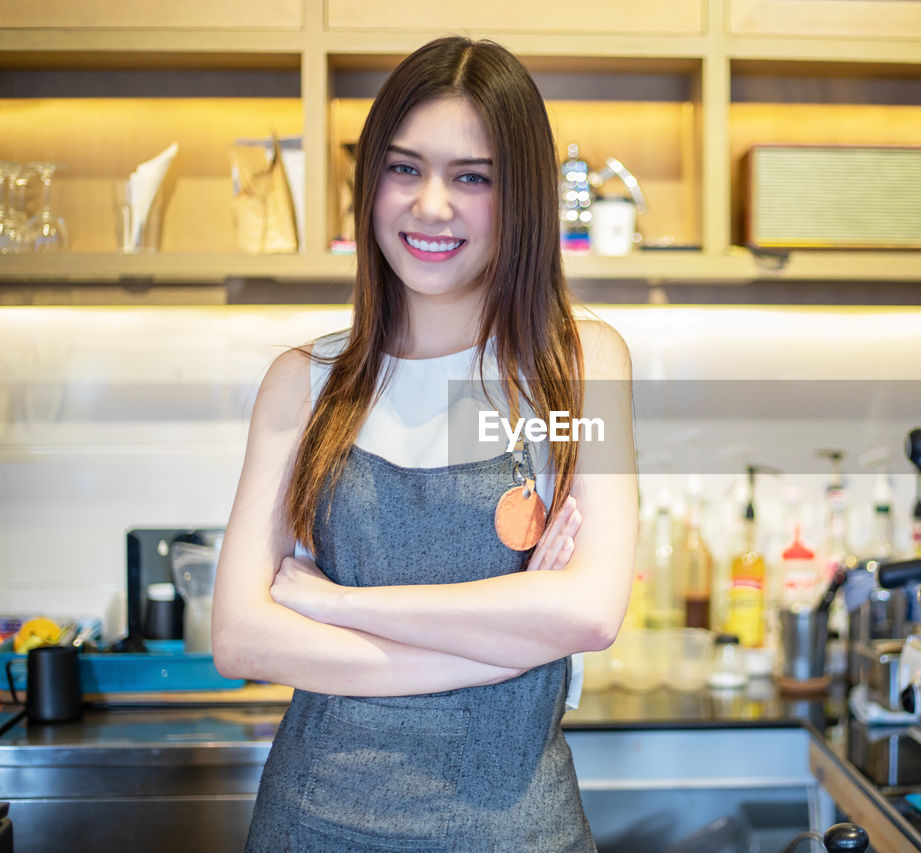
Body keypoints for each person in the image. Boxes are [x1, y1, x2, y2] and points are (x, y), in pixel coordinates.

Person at [211, 36, 637, 852]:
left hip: (520, 831)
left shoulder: (579, 368)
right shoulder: (302, 383)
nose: (430, 206)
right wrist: (506, 647)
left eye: (471, 177)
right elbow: (241, 635)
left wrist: (337, 605)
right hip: (314, 826)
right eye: (404, 168)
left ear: (523, 199)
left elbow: (587, 610)